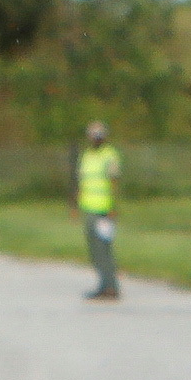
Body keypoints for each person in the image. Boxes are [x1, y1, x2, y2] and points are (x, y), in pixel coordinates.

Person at [78, 122, 124, 300]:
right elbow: (83, 180)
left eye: (99, 135)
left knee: (104, 248)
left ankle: (111, 287)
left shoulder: (109, 155)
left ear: (104, 137)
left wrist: (113, 207)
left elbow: (114, 182)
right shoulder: (87, 155)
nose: (96, 138)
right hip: (88, 208)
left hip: (104, 210)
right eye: (93, 135)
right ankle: (103, 285)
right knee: (94, 250)